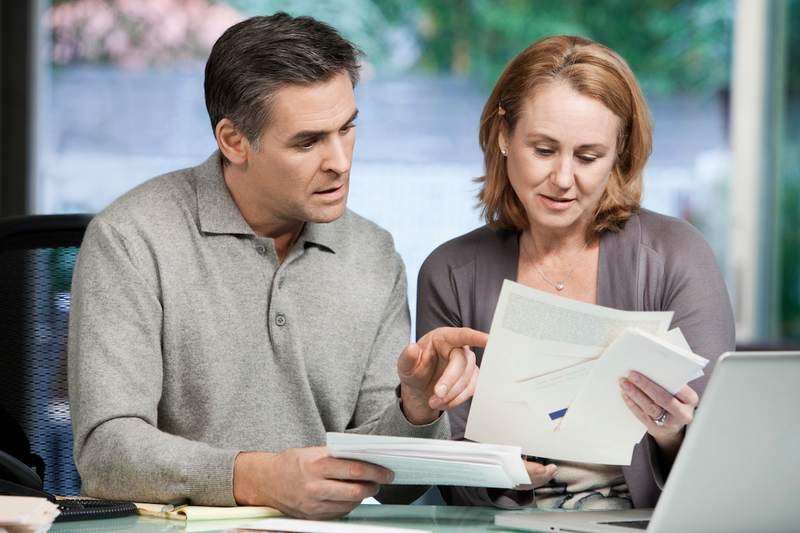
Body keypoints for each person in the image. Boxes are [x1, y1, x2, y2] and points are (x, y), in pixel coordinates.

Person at [68, 13, 487, 520]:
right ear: (234, 141)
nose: (340, 161)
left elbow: (399, 490)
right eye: (308, 142)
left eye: (347, 129)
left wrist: (415, 409)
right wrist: (260, 478)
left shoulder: (374, 254)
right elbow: (106, 453)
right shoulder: (131, 238)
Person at [417, 35, 735, 510]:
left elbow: (725, 465)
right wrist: (494, 467)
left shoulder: (676, 255)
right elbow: (445, 472)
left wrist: (672, 437)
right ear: (503, 136)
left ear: (619, 153)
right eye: (544, 150)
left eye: (588, 157)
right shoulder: (451, 272)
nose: (564, 179)